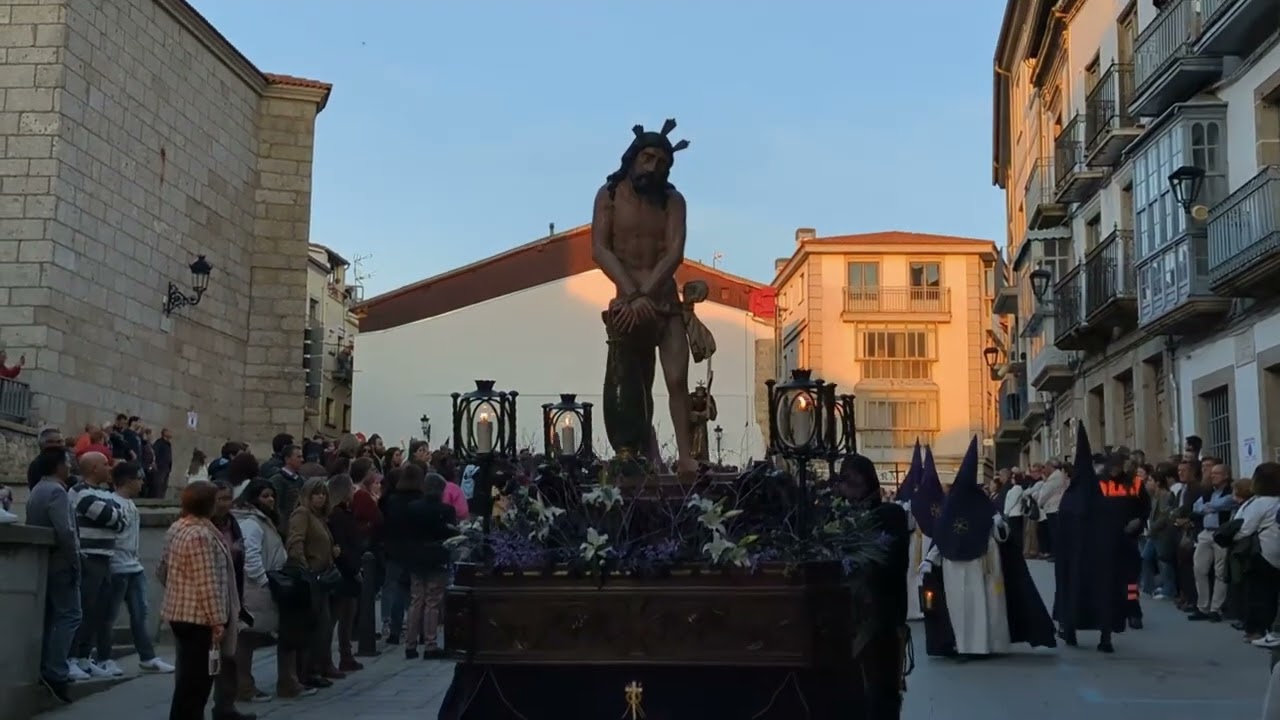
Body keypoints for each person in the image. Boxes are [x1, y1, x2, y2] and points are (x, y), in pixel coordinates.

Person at [922, 437, 1055, 657]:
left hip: (980, 566)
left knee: (982, 608)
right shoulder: (950, 508)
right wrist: (929, 560)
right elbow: (941, 537)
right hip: (954, 568)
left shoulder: (984, 506)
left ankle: (982, 645)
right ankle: (962, 645)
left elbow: (1001, 538)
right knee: (959, 609)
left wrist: (999, 525)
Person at [834, 453, 909, 719]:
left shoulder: (890, 514)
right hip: (852, 622)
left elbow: (889, 561)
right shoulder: (840, 516)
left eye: (854, 482)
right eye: (844, 482)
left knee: (881, 691)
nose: (848, 490)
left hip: (883, 618)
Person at [158, 481, 237, 720]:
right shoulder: (201, 535)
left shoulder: (178, 527)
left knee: (188, 681)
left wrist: (180, 588)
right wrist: (217, 621)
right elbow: (207, 582)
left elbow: (163, 569)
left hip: (179, 612)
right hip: (198, 618)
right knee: (197, 683)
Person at [232, 478, 310, 701]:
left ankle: (284, 682)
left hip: (267, 584)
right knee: (247, 638)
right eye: (265, 496)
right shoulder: (251, 523)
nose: (271, 500)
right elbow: (250, 556)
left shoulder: (263, 520)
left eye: (272, 495)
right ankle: (244, 686)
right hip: (256, 587)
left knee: (259, 636)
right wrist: (264, 580)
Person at [1054, 425, 1129, 653]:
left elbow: (1060, 533)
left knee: (1073, 590)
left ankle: (1070, 631)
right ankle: (1105, 638)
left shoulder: (1068, 500)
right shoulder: (1102, 500)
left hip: (1074, 560)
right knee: (1103, 594)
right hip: (1101, 561)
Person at [106, 461, 175, 675]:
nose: (142, 482)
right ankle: (103, 658)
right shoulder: (111, 503)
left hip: (133, 567)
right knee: (108, 615)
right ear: (128, 480)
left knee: (140, 613)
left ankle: (148, 657)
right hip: (117, 567)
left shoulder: (131, 504)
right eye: (139, 478)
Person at [26, 445, 82, 701]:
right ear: (57, 466)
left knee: (53, 617)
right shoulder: (57, 492)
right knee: (70, 615)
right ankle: (56, 671)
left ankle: (48, 666)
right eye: (67, 462)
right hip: (61, 564)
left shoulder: (37, 489)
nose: (70, 466)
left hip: (46, 564)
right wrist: (75, 561)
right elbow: (65, 532)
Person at [383, 465, 457, 658]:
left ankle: (410, 644)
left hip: (416, 556)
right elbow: (450, 532)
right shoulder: (446, 510)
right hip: (436, 555)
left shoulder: (413, 508)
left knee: (416, 599)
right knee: (432, 600)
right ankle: (430, 643)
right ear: (441, 490)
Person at [286, 476, 343, 685]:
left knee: (324, 626)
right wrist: (304, 569)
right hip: (311, 579)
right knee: (316, 626)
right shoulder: (302, 514)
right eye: (316, 493)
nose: (320, 497)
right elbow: (295, 542)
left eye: (323, 493)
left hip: (323, 578)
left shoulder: (319, 517)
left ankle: (318, 667)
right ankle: (309, 671)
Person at [209, 480, 255, 720]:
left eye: (228, 498)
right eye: (220, 499)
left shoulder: (232, 523)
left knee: (229, 658)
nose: (226, 504)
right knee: (205, 661)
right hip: (208, 599)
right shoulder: (202, 526)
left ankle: (225, 706)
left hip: (232, 596)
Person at [325, 474, 365, 672]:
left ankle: (344, 655)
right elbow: (343, 545)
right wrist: (354, 569)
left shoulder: (341, 514)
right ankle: (336, 657)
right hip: (344, 572)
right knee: (339, 617)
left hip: (345, 570)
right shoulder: (339, 515)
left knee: (345, 617)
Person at [894, 440, 924, 621]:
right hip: (912, 542)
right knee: (911, 574)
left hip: (921, 541)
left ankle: (920, 606)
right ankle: (912, 608)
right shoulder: (906, 504)